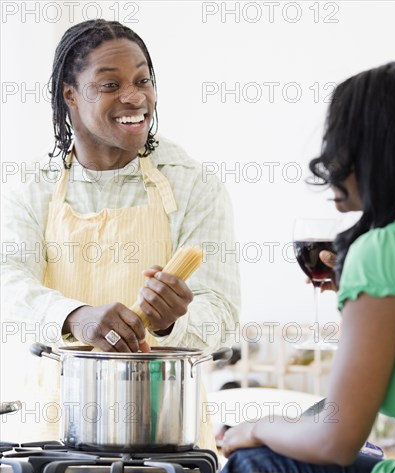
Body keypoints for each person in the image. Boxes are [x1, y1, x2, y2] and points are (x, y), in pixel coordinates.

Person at [171, 61, 395, 473]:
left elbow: (336, 440)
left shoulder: (383, 251)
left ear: (378, 149)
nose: (328, 158)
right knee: (253, 471)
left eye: (340, 137)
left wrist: (256, 425)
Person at [0, 19, 240, 444]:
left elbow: (221, 315)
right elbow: (7, 283)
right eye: (110, 85)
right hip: (53, 430)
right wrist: (76, 317)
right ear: (70, 95)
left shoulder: (192, 184)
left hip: (167, 429)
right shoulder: (31, 185)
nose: (135, 97)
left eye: (142, 80)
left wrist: (171, 324)